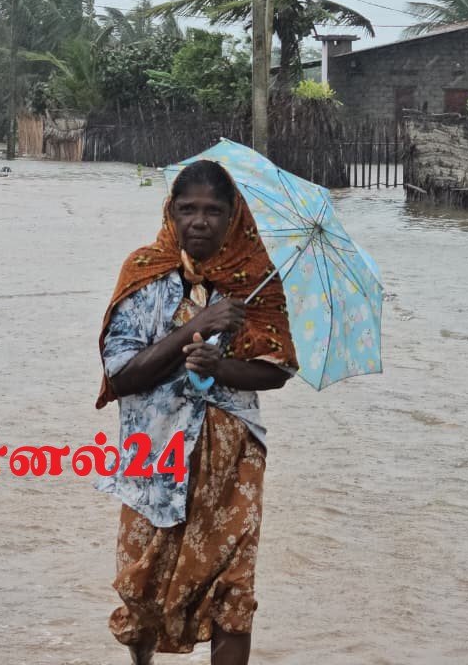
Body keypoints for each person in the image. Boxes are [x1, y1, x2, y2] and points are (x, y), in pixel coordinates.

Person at [95, 159, 298, 665]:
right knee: (144, 580)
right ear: (171, 212)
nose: (200, 221)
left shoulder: (256, 279)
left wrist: (221, 366)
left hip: (232, 462)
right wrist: (195, 328)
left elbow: (276, 370)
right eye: (188, 209)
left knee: (233, 590)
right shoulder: (144, 273)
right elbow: (121, 377)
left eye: (213, 210)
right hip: (154, 455)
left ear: (233, 217)